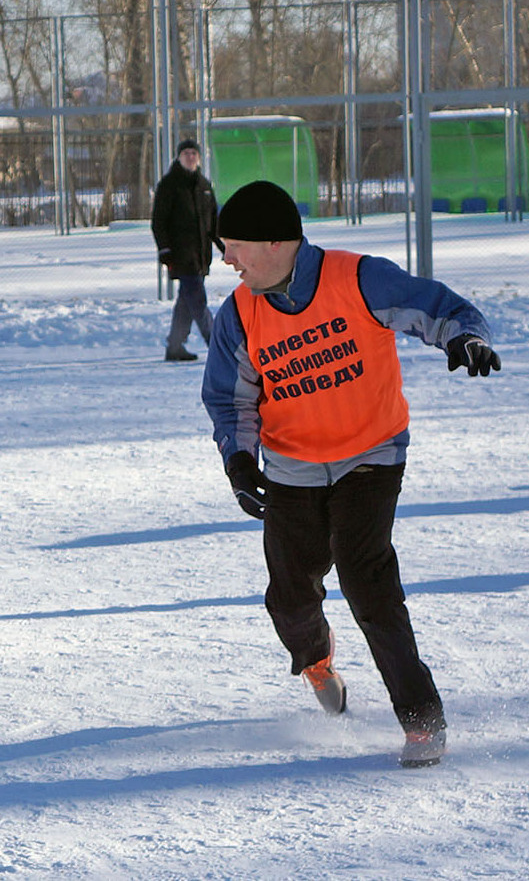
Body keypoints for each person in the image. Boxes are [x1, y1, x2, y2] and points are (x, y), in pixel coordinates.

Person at [199, 180, 501, 768]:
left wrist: (464, 338)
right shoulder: (239, 314)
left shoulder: (357, 278)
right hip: (292, 466)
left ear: (275, 242)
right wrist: (238, 459)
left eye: (232, 246)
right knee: (289, 598)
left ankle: (422, 722)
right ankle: (316, 658)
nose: (226, 260)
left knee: (368, 582)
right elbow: (229, 400)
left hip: (371, 454)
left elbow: (443, 309)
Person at [150, 139, 220, 362]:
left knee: (186, 302)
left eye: (194, 153)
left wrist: (224, 245)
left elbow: (213, 221)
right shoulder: (170, 184)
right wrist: (165, 250)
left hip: (200, 255)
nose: (191, 157)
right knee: (198, 300)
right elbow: (158, 221)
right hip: (181, 254)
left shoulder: (204, 185)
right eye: (186, 153)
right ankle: (217, 345)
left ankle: (175, 345)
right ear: (179, 157)